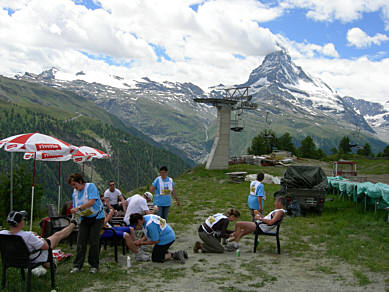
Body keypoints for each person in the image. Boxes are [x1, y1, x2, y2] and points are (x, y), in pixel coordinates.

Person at [0, 210, 76, 270]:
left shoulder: (3, 233)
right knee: (57, 235)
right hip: (30, 258)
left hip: (12, 259)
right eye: (23, 219)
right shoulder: (28, 235)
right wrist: (39, 238)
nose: (24, 220)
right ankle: (73, 223)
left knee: (54, 237)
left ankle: (51, 264)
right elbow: (46, 247)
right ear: (20, 223)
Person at [68, 173, 105, 274]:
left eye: (74, 184)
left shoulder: (90, 187)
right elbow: (75, 209)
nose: (74, 187)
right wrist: (73, 218)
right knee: (81, 241)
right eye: (72, 186)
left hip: (97, 217)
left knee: (94, 241)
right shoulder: (74, 193)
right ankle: (77, 265)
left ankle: (94, 265)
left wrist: (79, 208)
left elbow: (92, 201)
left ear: (80, 182)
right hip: (85, 218)